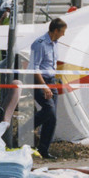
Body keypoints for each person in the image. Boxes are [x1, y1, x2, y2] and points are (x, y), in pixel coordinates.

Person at [30, 18, 68, 160]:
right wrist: (44, 87)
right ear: (56, 30)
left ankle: (44, 149)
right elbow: (35, 68)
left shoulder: (55, 44)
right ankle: (25, 129)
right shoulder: (39, 44)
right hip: (40, 81)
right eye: (62, 32)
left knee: (51, 118)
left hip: (52, 81)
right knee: (49, 110)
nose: (63, 35)